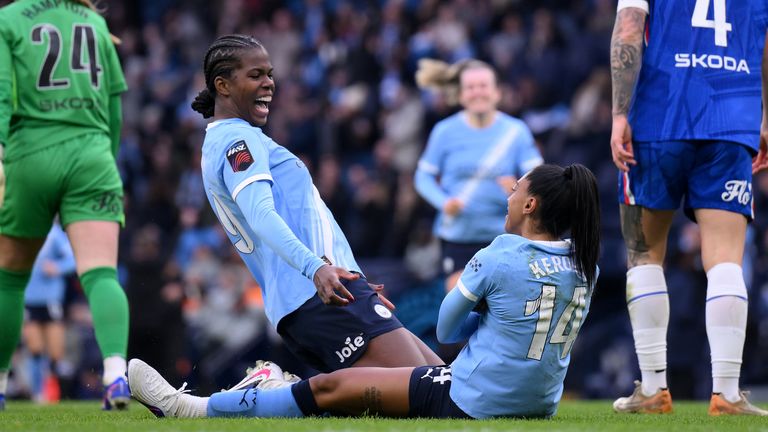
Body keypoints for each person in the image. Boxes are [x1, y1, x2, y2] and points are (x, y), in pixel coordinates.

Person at [129, 163, 602, 420]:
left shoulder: (500, 254)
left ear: (531, 203)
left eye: (515, 188)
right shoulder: (586, 265)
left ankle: (190, 407)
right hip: (538, 405)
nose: (508, 196)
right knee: (385, 385)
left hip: (475, 399)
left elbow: (446, 327)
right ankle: (268, 390)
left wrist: (488, 315)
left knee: (333, 387)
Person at [188, 34, 441, 376]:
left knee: (437, 381)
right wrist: (317, 269)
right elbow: (262, 216)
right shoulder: (238, 139)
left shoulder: (224, 141)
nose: (269, 83)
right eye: (255, 75)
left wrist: (354, 279)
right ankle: (256, 398)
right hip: (316, 292)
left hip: (327, 288)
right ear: (223, 85)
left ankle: (268, 394)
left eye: (270, 74)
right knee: (431, 387)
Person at [610, 0, 768, 416]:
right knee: (726, 260)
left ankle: (653, 389)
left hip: (659, 118)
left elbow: (628, 31)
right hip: (732, 120)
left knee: (643, 255)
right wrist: (764, 117)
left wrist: (618, 114)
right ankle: (728, 394)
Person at [0, 0, 130, 410]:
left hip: (31, 154)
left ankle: (0, 384)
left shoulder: (8, 18)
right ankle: (115, 376)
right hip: (92, 156)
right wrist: (104, 160)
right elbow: (114, 110)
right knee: (101, 274)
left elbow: (2, 94)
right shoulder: (93, 21)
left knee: (8, 279)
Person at [413, 58, 542, 295]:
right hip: (458, 237)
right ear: (461, 95)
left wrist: (518, 188)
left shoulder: (516, 132)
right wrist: (444, 202)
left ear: (496, 93)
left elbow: (540, 178)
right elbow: (423, 177)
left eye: (483, 86)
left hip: (505, 237)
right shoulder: (444, 131)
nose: (477, 92)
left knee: (499, 308)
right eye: (471, 87)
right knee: (461, 305)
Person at [23, 222, 75, 403]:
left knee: (55, 353)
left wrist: (57, 267)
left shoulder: (54, 235)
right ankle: (37, 393)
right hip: (28, 299)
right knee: (35, 348)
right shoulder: (23, 231)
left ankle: (52, 391)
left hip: (51, 299)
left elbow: (73, 259)